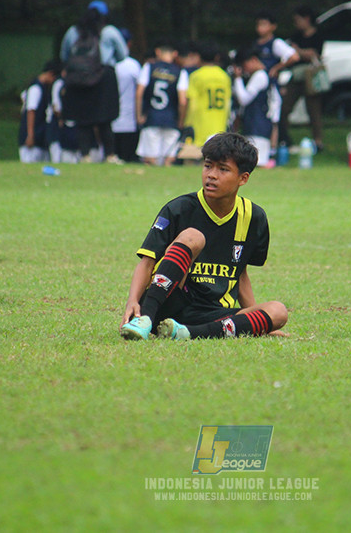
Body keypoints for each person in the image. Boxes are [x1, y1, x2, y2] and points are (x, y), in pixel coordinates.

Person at [119, 132, 289, 341]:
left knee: (278, 311)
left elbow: (240, 274)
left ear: (243, 178)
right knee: (193, 236)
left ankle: (187, 334)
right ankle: (144, 321)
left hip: (212, 314)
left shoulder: (253, 217)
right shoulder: (179, 208)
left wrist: (259, 322)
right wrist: (133, 302)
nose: (211, 175)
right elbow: (147, 263)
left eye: (223, 169)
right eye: (208, 166)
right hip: (166, 305)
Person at [59, 0, 129, 163]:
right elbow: (123, 55)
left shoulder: (73, 31)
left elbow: (64, 55)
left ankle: (85, 155)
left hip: (79, 78)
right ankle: (110, 155)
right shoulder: (110, 31)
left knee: (83, 119)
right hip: (104, 76)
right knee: (105, 119)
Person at [279, 6, 327, 151]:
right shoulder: (296, 36)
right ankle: (284, 137)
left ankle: (318, 141)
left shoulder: (318, 36)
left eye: (297, 20)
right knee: (285, 107)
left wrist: (299, 51)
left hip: (310, 76)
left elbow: (315, 54)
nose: (296, 24)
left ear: (306, 19)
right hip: (296, 75)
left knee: (313, 109)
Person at [136, 41, 187, 166]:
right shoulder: (180, 72)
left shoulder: (149, 67)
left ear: (157, 52)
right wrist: (181, 120)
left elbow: (139, 93)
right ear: (175, 54)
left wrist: (139, 115)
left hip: (152, 116)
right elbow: (182, 101)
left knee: (151, 159)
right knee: (168, 159)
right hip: (171, 118)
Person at [232, 47, 281, 167]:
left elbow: (244, 99)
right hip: (259, 124)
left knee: (256, 163)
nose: (244, 70)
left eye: (244, 66)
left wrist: (237, 79)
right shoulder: (266, 76)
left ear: (253, 60)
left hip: (257, 125)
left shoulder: (260, 76)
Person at [183, 40, 233, 149]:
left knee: (193, 156)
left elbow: (192, 103)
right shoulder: (224, 76)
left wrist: (187, 123)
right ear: (217, 57)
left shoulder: (196, 76)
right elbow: (228, 103)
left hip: (200, 123)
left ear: (199, 57)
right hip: (219, 123)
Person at [18, 59, 58, 163]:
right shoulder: (36, 88)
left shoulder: (42, 88)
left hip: (39, 137)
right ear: (50, 74)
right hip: (32, 138)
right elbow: (31, 111)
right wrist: (30, 135)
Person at [112, 30, 142, 163]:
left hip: (109, 120)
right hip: (129, 120)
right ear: (129, 44)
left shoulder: (106, 63)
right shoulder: (133, 65)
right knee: (127, 158)